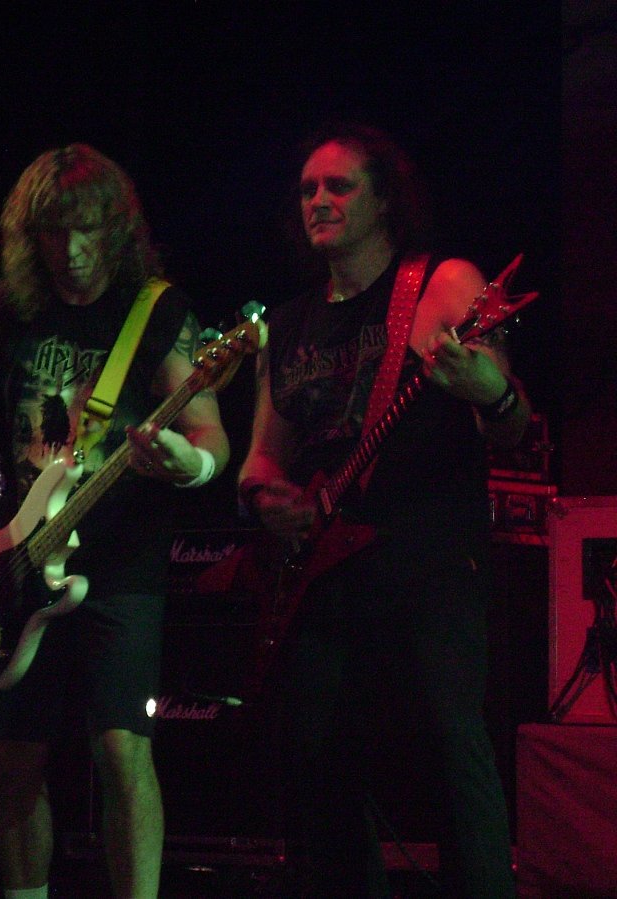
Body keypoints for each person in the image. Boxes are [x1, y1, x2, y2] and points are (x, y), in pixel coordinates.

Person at [0, 143, 230, 899]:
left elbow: (211, 435)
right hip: (19, 564)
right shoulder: (3, 312)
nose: (74, 250)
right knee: (9, 761)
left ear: (118, 229)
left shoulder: (159, 313)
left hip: (121, 567)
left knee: (122, 750)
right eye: (56, 231)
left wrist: (190, 464)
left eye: (89, 229)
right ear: (32, 237)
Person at [237, 123, 532, 897]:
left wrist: (490, 391)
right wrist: (268, 498)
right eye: (308, 189)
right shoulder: (288, 324)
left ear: (385, 200)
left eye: (339, 186)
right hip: (320, 572)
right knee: (319, 757)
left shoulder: (442, 285)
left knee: (450, 743)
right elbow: (260, 457)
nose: (318, 200)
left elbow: (512, 424)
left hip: (427, 560)